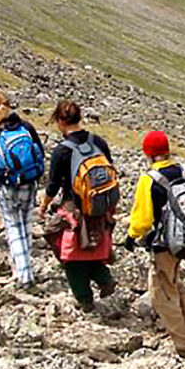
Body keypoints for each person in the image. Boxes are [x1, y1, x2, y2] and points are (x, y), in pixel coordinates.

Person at [126, 130, 185, 359]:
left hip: (163, 245)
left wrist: (131, 235)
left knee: (161, 295)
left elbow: (143, 219)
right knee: (174, 282)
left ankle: (184, 346)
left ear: (148, 154)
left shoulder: (149, 179)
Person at [39, 100, 116, 312]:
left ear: (61, 121)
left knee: (70, 256)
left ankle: (85, 300)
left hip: (73, 208)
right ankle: (104, 278)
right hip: (99, 205)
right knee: (92, 246)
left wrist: (44, 206)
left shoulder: (62, 151)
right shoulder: (98, 141)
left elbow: (53, 184)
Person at [0, 90, 45, 290]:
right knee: (25, 225)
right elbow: (40, 152)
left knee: (13, 228)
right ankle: (23, 268)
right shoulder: (25, 126)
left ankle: (24, 275)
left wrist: (1, 177)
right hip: (29, 183)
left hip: (8, 185)